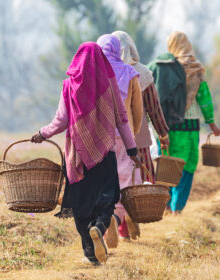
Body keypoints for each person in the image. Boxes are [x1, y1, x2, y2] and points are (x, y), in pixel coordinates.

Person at [30, 42, 140, 265]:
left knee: (81, 204)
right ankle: (99, 227)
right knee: (106, 199)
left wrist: (43, 133)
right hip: (106, 152)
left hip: (78, 155)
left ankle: (90, 253)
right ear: (100, 60)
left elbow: (60, 121)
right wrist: (132, 149)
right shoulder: (109, 83)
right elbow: (122, 118)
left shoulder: (69, 85)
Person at [148, 31, 220, 215]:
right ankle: (176, 209)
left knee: (167, 167)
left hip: (165, 128)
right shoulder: (195, 69)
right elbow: (204, 99)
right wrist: (211, 123)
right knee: (186, 167)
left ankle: (164, 205)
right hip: (189, 129)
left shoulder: (164, 68)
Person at [97, 34, 143, 244]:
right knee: (126, 181)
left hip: (99, 137)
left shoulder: (94, 72)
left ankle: (106, 223)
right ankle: (116, 217)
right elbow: (137, 109)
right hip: (124, 136)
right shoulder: (130, 73)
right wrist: (133, 132)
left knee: (103, 182)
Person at [112, 31, 169, 183]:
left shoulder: (106, 72)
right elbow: (154, 108)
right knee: (144, 184)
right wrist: (163, 134)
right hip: (139, 137)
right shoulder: (142, 72)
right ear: (131, 48)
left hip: (111, 138)